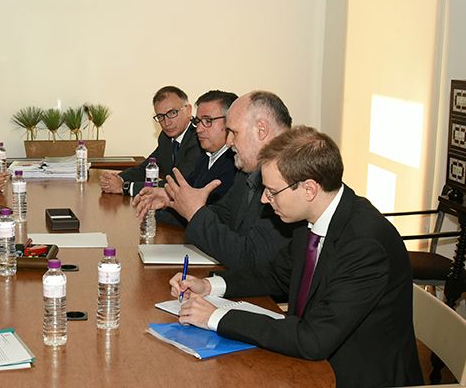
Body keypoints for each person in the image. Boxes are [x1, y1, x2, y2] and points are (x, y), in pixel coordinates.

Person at [169, 126, 422, 388]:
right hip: (313, 357)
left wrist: (216, 317)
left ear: (309, 189)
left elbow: (314, 339)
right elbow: (277, 275)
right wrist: (210, 285)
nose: (265, 200)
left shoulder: (364, 245)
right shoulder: (312, 219)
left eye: (272, 191)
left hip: (355, 373)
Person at [134, 91, 299, 268]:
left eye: (234, 132)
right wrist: (174, 199)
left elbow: (251, 259)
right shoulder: (248, 172)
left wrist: (195, 212)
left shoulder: (291, 178)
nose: (228, 142)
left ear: (261, 130)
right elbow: (224, 215)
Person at [150, 90, 239, 227]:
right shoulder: (206, 156)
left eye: (208, 121)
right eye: (198, 121)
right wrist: (165, 198)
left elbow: (213, 218)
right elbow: (186, 196)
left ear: (231, 122)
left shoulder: (236, 164)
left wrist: (161, 212)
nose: (199, 129)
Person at [99, 86, 200, 197]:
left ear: (189, 110)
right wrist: (118, 178)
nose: (166, 122)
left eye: (172, 113)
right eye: (161, 116)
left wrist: (125, 187)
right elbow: (146, 167)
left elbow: (177, 184)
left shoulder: (199, 138)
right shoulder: (165, 137)